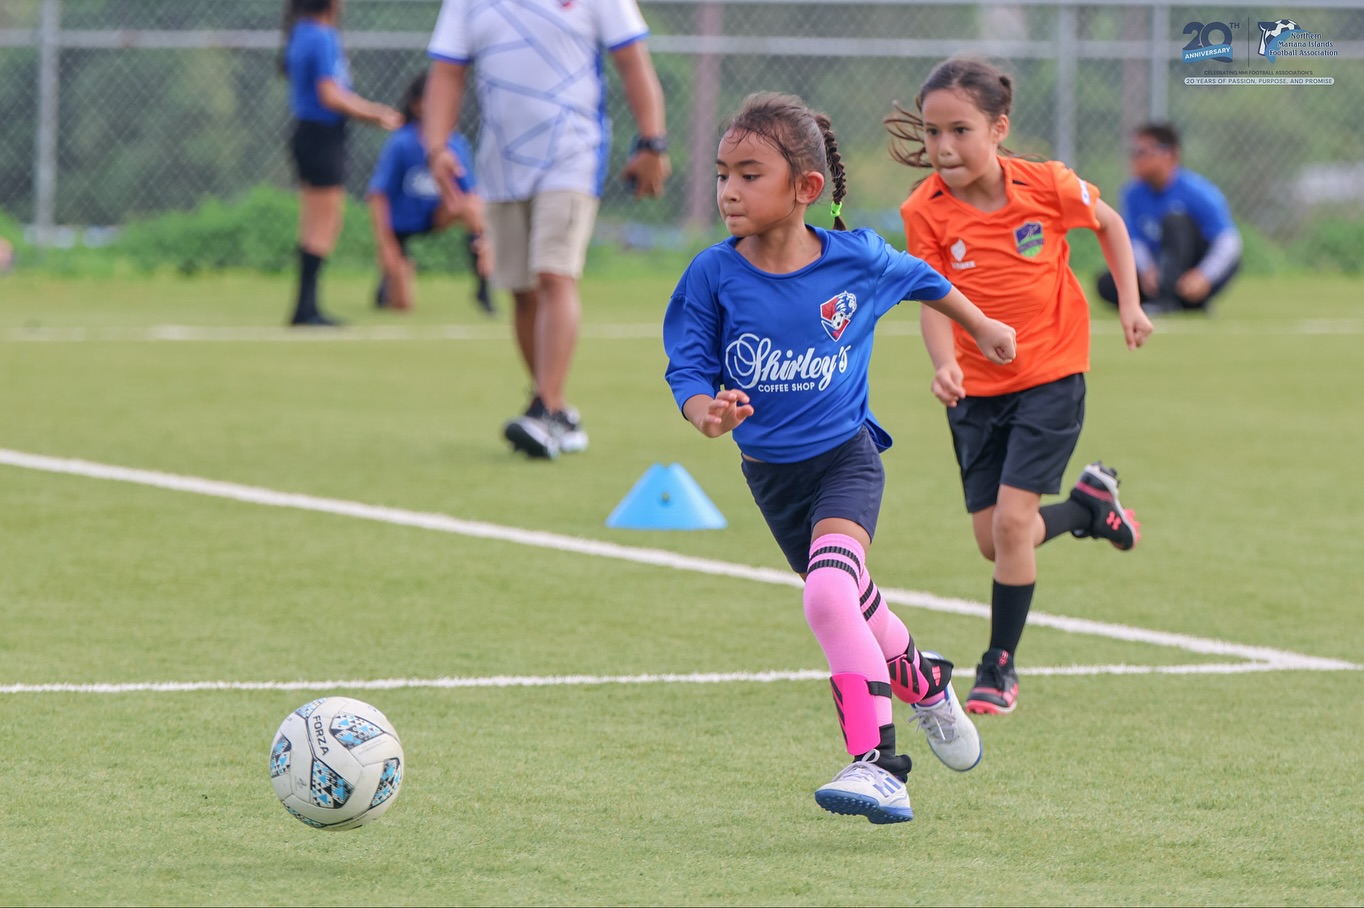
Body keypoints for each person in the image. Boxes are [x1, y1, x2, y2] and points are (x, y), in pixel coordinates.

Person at [664, 92, 1016, 823]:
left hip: (846, 461)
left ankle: (880, 764)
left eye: (749, 174)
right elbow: (688, 369)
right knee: (851, 600)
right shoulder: (712, 274)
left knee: (826, 596)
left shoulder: (856, 261)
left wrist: (983, 327)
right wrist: (708, 416)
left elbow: (923, 277)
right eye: (722, 173)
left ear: (806, 189)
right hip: (772, 480)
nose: (728, 189)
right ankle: (925, 680)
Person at [888, 57, 1154, 718]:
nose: (944, 148)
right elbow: (931, 297)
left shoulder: (1047, 186)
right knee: (997, 538)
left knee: (1011, 525)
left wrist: (1130, 303)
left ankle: (997, 668)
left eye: (960, 130)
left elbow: (1112, 226)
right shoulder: (924, 210)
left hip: (1051, 374)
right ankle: (1091, 508)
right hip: (976, 391)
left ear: (998, 128)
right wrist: (945, 363)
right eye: (933, 132)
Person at [423, 0, 671, 458]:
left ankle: (544, 410)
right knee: (521, 290)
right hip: (499, 165)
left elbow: (633, 61)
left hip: (572, 155)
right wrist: (436, 147)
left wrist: (652, 141)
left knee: (554, 274)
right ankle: (555, 410)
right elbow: (447, 71)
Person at [280, 0, 401, 327]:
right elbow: (330, 95)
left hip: (309, 135)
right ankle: (306, 309)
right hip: (322, 136)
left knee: (315, 222)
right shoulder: (321, 36)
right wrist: (376, 113)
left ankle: (305, 306)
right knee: (324, 222)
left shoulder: (301, 32)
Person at [366, 70, 492, 315]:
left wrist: (486, 236)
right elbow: (378, 195)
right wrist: (387, 246)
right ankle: (390, 277)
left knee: (473, 209)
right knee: (400, 305)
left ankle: (484, 286)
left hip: (436, 215)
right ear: (417, 106)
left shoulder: (456, 143)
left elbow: (471, 195)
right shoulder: (402, 143)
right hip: (401, 223)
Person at [1097, 122, 1242, 314]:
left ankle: (1168, 299)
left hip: (1196, 266)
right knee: (1107, 284)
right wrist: (1147, 269)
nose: (1134, 158)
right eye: (1133, 152)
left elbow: (1228, 241)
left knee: (1174, 220)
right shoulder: (1132, 194)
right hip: (1159, 267)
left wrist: (1203, 275)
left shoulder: (1198, 191)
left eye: (1142, 152)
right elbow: (1134, 239)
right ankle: (1182, 302)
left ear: (1169, 154)